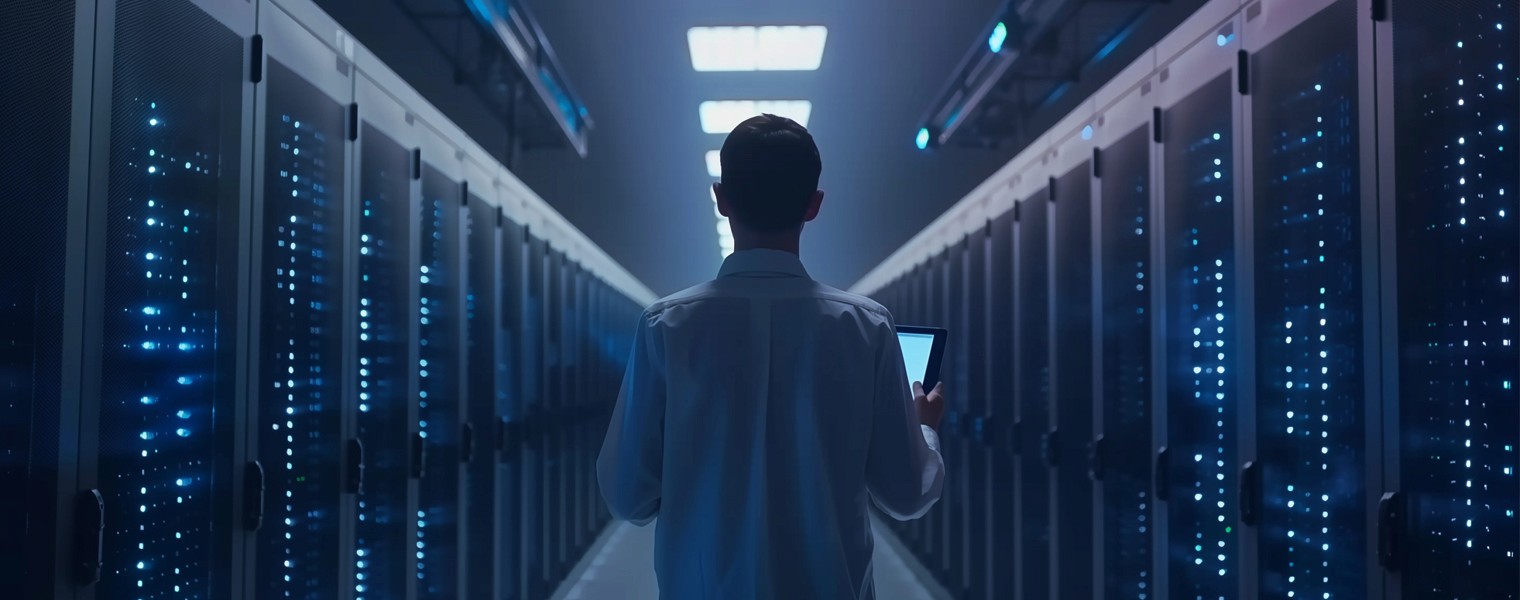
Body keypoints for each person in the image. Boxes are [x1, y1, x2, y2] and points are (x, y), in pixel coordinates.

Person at [596, 114, 947, 600]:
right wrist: (923, 424)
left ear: (721, 199)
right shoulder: (866, 327)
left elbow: (626, 495)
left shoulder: (666, 327)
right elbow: (907, 494)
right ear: (814, 205)